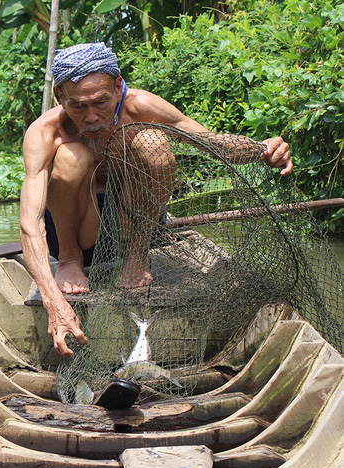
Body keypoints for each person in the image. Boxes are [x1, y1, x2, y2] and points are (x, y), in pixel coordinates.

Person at [19, 43, 293, 357]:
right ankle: (70, 261)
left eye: (101, 102)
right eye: (78, 105)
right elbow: (30, 223)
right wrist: (53, 301)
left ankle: (136, 255)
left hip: (130, 221)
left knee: (151, 141)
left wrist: (263, 149)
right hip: (78, 230)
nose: (91, 116)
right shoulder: (45, 132)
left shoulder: (140, 106)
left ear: (118, 85)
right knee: (72, 156)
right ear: (59, 96)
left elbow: (213, 144)